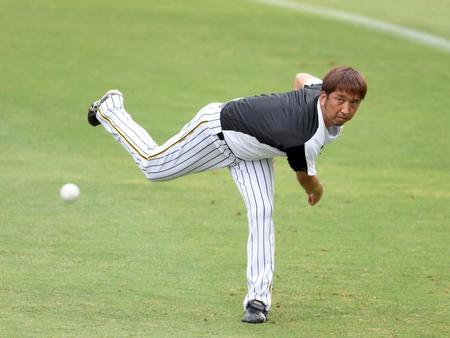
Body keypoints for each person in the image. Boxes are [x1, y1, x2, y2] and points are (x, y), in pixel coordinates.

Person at [87, 66, 367, 324]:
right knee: (153, 166)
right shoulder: (304, 137)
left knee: (262, 212)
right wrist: (317, 190)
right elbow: (306, 179)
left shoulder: (314, 91)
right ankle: (111, 109)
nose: (345, 109)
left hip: (254, 151)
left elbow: (301, 77)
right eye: (339, 99)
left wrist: (279, 121)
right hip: (215, 131)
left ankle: (257, 302)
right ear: (323, 96)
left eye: (353, 103)